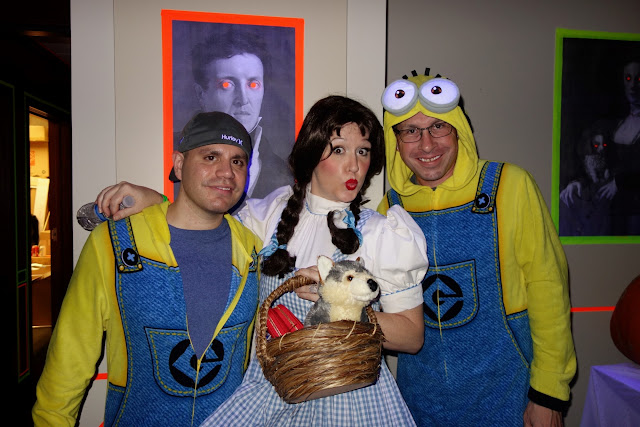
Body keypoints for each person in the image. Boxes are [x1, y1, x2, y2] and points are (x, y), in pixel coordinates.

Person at [90, 96, 429, 426]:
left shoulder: (382, 233)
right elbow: (205, 220)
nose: (354, 165)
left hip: (350, 400)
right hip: (273, 392)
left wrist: (344, 308)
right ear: (311, 152)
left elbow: (412, 337)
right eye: (339, 150)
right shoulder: (270, 214)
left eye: (363, 151)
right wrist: (158, 202)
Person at [32, 112, 262, 426]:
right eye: (211, 157)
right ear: (179, 164)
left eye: (237, 161)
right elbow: (70, 355)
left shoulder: (253, 252)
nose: (227, 172)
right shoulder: (114, 243)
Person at [378, 70, 576, 426]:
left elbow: (549, 290)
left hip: (510, 394)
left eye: (438, 126)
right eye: (410, 131)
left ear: (459, 129)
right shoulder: (390, 210)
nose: (426, 144)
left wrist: (549, 393)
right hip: (419, 402)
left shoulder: (509, 186)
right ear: (395, 140)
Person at [184, 26, 293, 204]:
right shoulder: (176, 153)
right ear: (201, 94)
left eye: (253, 85)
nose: (243, 100)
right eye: (227, 85)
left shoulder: (285, 174)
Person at [561, 58, 640, 235]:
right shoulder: (613, 127)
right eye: (628, 78)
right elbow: (598, 166)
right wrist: (577, 183)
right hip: (608, 213)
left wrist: (620, 183)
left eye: (639, 79)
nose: (633, 85)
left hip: (634, 214)